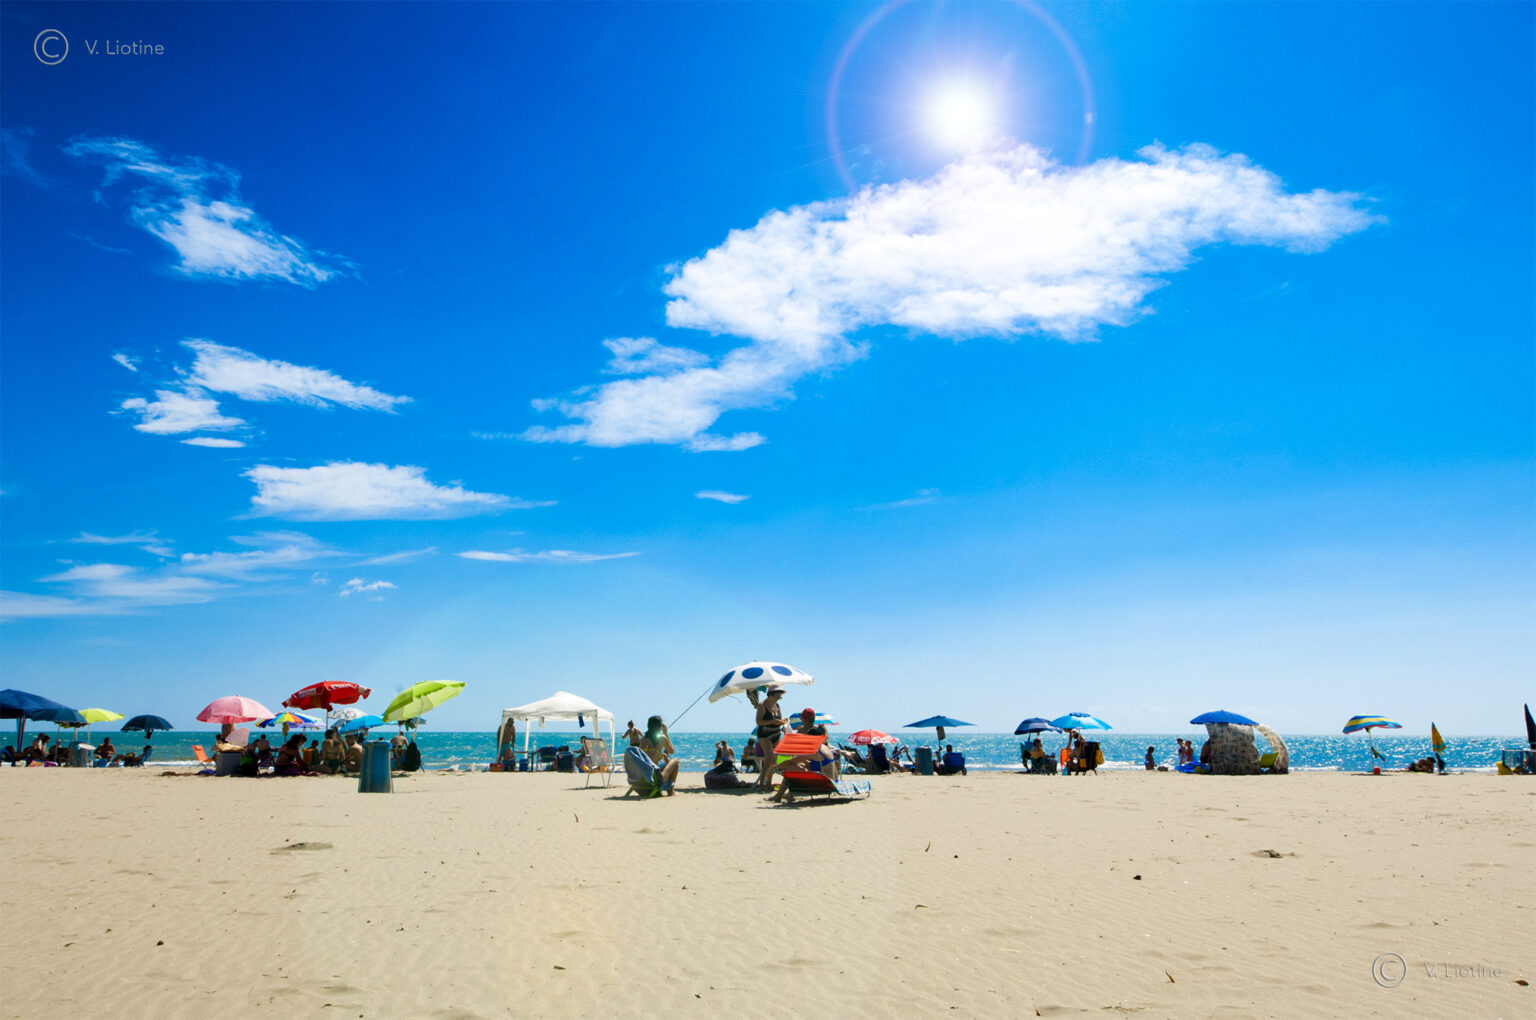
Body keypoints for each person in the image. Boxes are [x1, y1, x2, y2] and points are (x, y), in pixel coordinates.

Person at [625, 715, 681, 793]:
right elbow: (671, 751)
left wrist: (660, 755)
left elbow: (648, 757)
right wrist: (666, 733)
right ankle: (671, 791)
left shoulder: (642, 740)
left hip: (643, 779)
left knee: (664, 765)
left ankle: (669, 789)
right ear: (660, 726)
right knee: (676, 761)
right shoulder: (662, 738)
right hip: (654, 781)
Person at [753, 686, 787, 791]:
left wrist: (782, 721)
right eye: (777, 696)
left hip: (776, 733)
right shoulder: (762, 705)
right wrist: (772, 721)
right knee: (769, 759)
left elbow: (778, 719)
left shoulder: (777, 705)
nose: (778, 699)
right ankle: (761, 784)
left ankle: (769, 783)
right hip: (764, 734)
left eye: (780, 697)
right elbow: (758, 722)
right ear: (770, 695)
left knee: (774, 760)